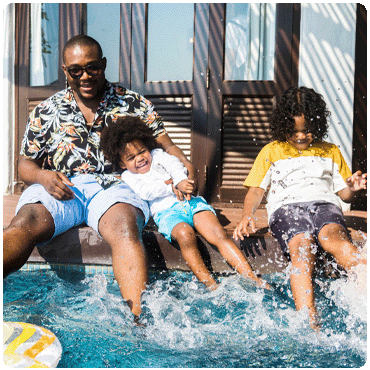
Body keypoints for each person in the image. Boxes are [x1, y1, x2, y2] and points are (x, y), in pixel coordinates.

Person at [3, 35, 197, 325]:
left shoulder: (134, 104)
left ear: (104, 65)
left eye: (92, 68)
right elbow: (24, 164)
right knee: (25, 221)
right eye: (75, 70)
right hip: (61, 186)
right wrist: (42, 176)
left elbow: (166, 146)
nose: (84, 76)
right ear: (65, 70)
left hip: (114, 187)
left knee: (124, 227)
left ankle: (138, 321)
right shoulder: (45, 111)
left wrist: (183, 168)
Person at [233, 86, 367, 330]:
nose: (301, 136)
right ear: (282, 127)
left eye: (307, 131)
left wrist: (353, 188)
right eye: (293, 131)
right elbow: (256, 190)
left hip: (325, 206)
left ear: (317, 126)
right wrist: (246, 215)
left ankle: (365, 291)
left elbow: (344, 194)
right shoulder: (272, 151)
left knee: (333, 238)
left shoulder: (331, 151)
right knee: (302, 247)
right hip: (287, 209)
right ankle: (309, 321)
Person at [100, 116, 269, 291]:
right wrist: (172, 187)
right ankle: (211, 285)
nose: (140, 158)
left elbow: (175, 165)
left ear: (148, 147)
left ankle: (251, 277)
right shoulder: (129, 176)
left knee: (218, 233)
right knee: (184, 234)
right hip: (167, 213)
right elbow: (145, 191)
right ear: (121, 162)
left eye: (142, 151)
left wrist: (181, 179)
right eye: (131, 157)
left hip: (192, 203)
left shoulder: (158, 155)